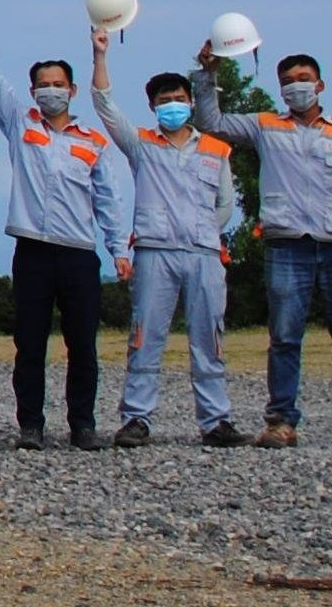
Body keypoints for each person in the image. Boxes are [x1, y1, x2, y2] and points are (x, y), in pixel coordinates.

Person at [193, 40, 332, 447]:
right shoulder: (265, 125)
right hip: (287, 245)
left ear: (320, 85)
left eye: (303, 79)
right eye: (288, 81)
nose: (296, 86)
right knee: (285, 337)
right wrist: (208, 75)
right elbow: (212, 122)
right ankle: (281, 422)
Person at [0, 1, 126, 450]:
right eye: (43, 86)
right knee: (29, 344)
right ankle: (30, 426)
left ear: (73, 90)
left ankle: (82, 426)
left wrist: (119, 249)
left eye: (58, 85)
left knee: (82, 345)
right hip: (32, 251)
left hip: (79, 255)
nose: (51, 92)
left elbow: (107, 199)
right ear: (32, 92)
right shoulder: (20, 123)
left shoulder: (93, 142)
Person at [98, 32, 242, 449]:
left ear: (191, 101)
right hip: (155, 253)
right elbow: (104, 105)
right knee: (145, 336)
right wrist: (100, 54)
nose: (173, 105)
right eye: (164, 100)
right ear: (153, 106)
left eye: (179, 98)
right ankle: (136, 418)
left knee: (209, 337)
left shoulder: (216, 148)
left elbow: (225, 204)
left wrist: (203, 229)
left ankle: (216, 421)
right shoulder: (141, 144)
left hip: (204, 255)